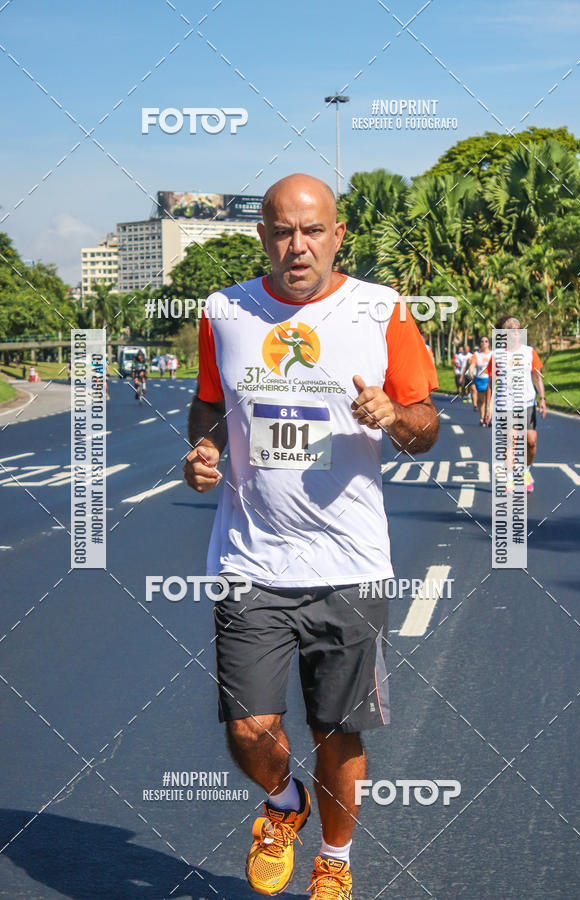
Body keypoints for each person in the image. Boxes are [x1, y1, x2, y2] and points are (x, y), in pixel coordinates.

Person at [184, 174, 439, 900]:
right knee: (248, 732)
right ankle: (283, 804)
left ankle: (334, 859)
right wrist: (202, 453)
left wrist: (393, 415)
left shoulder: (381, 310)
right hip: (250, 560)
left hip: (349, 564)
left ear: (338, 234)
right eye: (282, 230)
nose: (298, 246)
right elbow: (209, 406)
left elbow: (426, 427)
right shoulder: (224, 311)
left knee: (338, 731)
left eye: (313, 230)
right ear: (261, 235)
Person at [485, 315, 546, 491]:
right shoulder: (496, 355)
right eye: (512, 331)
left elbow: (537, 377)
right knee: (510, 442)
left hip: (527, 402)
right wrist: (489, 408)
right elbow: (491, 384)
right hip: (505, 405)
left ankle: (526, 470)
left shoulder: (529, 352)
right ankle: (510, 479)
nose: (516, 333)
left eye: (518, 330)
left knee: (531, 441)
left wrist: (542, 398)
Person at [467, 337, 492, 424]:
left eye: (486, 341)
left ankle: (487, 418)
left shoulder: (493, 354)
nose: (484, 343)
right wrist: (470, 371)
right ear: (480, 343)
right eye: (482, 341)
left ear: (489, 343)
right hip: (479, 379)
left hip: (489, 379)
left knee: (489, 399)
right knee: (481, 401)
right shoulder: (477, 354)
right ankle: (482, 417)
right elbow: (472, 365)